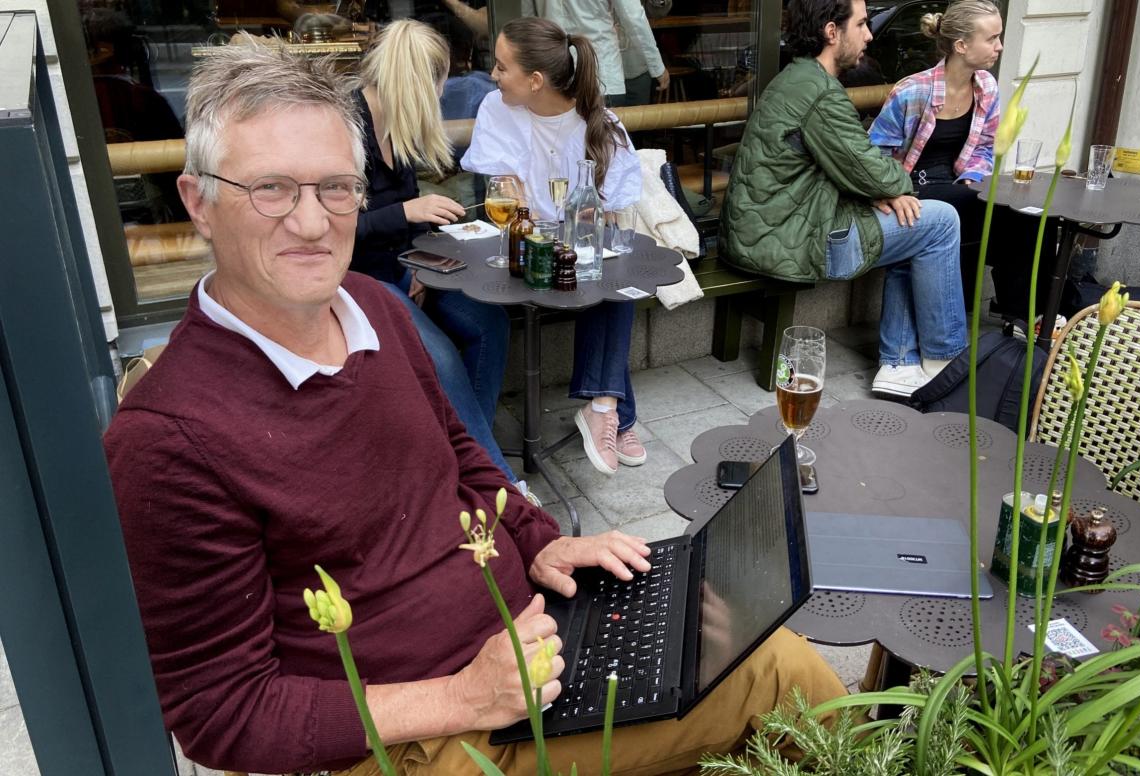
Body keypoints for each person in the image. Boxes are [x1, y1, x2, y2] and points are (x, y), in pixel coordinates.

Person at [104, 38, 847, 776]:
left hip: (522, 642)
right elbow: (221, 714)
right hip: (414, 731)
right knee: (783, 686)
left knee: (757, 651)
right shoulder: (168, 439)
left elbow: (460, 459)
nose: (311, 222)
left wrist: (540, 541)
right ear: (198, 202)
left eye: (335, 187)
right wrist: (466, 697)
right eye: (270, 188)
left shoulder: (371, 306)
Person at [724, 0, 968, 397]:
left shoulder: (796, 78)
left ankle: (900, 365)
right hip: (793, 241)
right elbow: (869, 167)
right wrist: (893, 188)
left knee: (916, 226)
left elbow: (848, 166)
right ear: (832, 32)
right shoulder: (821, 93)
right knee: (940, 221)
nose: (870, 35)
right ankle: (945, 360)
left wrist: (881, 194)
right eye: (862, 24)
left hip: (771, 230)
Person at [462, 17, 647, 474]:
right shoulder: (496, 108)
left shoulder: (599, 124)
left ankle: (602, 407)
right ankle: (616, 413)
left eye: (503, 67)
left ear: (535, 80)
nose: (494, 75)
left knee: (613, 275)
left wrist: (579, 234)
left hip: (576, 250)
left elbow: (605, 218)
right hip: (523, 249)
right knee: (600, 271)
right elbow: (508, 200)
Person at [351, 20, 516, 481]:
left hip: (400, 269)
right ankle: (494, 478)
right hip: (353, 281)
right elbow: (332, 229)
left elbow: (403, 225)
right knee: (438, 353)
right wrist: (407, 211)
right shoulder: (346, 129)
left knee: (489, 322)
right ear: (420, 82)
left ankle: (465, 459)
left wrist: (420, 263)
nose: (443, 94)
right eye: (441, 82)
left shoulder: (394, 126)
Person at [868, 0, 1054, 318]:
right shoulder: (912, 92)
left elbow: (984, 147)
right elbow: (874, 155)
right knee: (972, 210)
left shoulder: (986, 87)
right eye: (992, 38)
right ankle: (961, 318)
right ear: (962, 45)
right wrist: (893, 191)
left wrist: (973, 177)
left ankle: (1025, 317)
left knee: (1034, 220)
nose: (1000, 46)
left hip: (958, 186)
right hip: (910, 192)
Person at [521, 0, 669, 106]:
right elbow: (633, 18)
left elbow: (529, 24)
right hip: (601, 74)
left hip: (556, 75)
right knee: (609, 145)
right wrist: (657, 67)